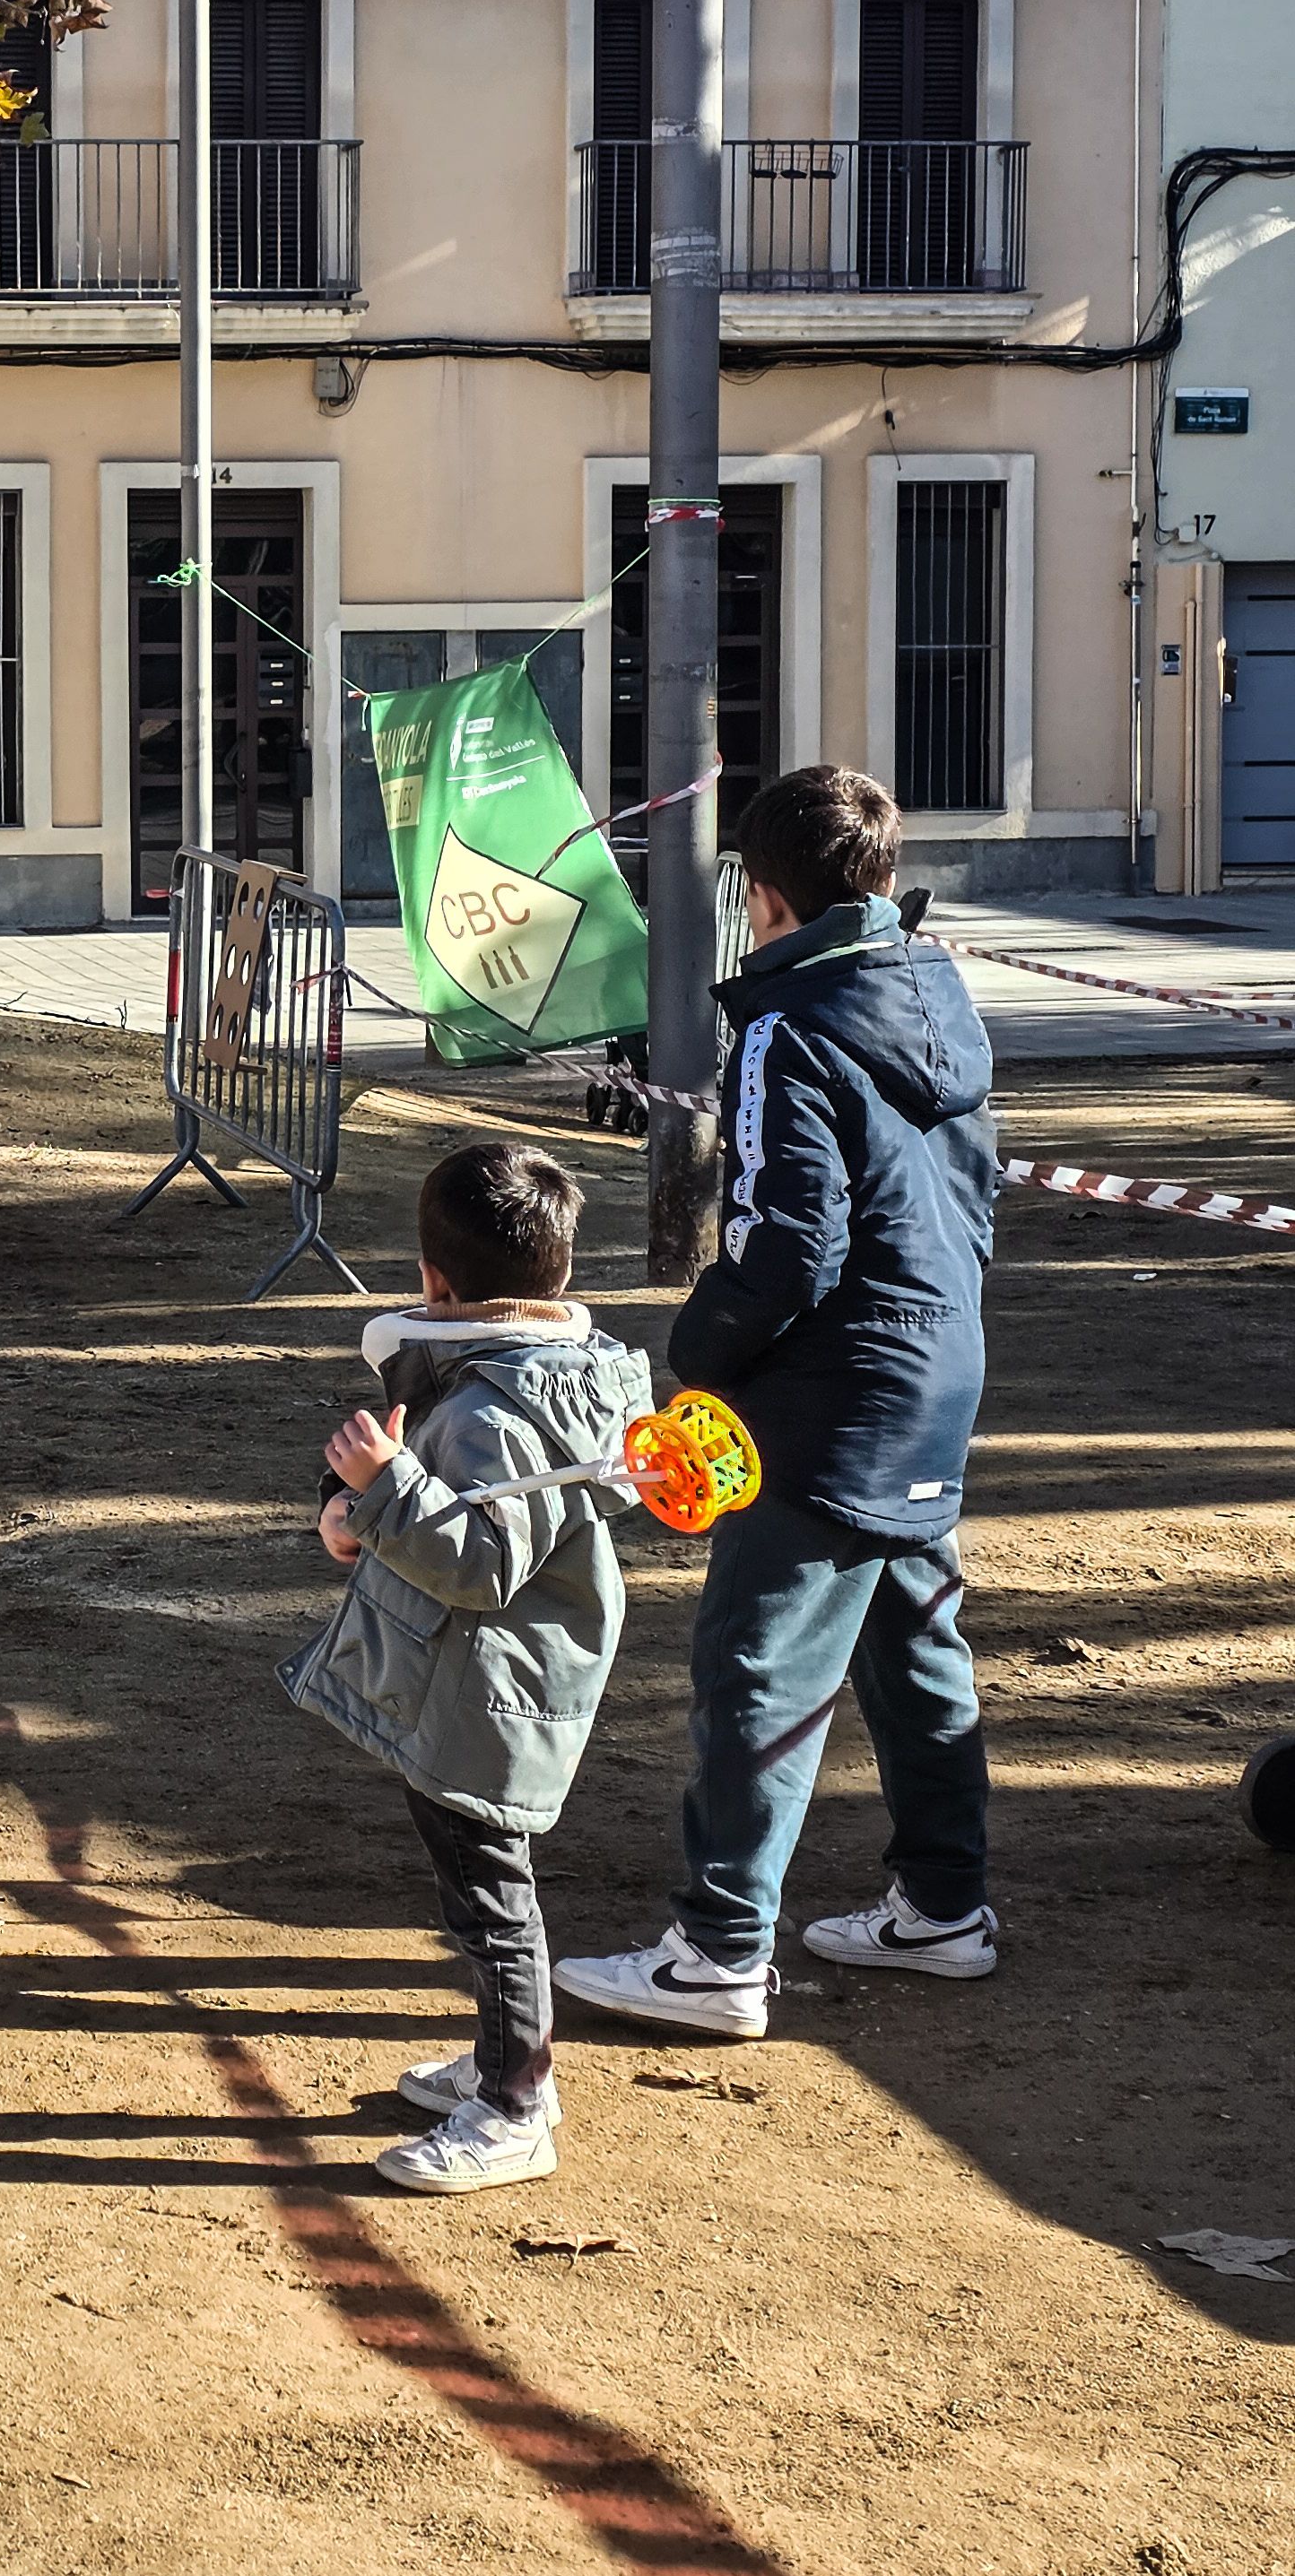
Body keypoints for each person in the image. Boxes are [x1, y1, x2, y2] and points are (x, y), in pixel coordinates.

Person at [556, 765, 1001, 2043]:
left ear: (760, 894)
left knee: (756, 1659)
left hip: (830, 1388)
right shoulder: (940, 994)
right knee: (915, 1646)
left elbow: (785, 1237)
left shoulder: (788, 1025)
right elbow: (975, 1200)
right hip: (938, 1366)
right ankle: (943, 1907)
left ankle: (717, 1951)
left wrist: (702, 1350)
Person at [282, 1141, 650, 2196]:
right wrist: (351, 1509)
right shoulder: (532, 1383)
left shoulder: (500, 1413)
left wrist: (388, 1482)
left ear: (436, 1280)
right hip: (475, 1678)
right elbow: (431, 1515)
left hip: (489, 1690)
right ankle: (500, 2063)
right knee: (478, 1894)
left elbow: (481, 1564)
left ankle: (517, 2104)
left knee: (491, 1900)